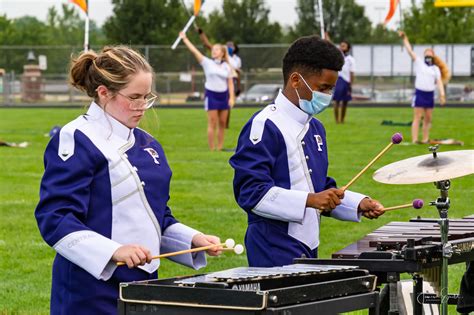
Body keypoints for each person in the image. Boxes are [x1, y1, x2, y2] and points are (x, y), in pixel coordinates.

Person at [35, 46, 222, 315]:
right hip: (89, 290)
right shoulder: (77, 138)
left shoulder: (150, 145)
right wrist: (114, 251)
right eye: (134, 97)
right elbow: (55, 218)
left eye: (147, 97)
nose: (142, 107)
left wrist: (192, 239)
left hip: (144, 285)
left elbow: (154, 216)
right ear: (104, 93)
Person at [229, 36, 384, 268]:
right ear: (295, 80)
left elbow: (318, 188)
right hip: (272, 247)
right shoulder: (265, 126)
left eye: (332, 89)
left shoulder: (315, 127)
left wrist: (358, 203)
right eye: (323, 88)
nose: (328, 95)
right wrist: (311, 200)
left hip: (309, 245)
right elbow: (250, 193)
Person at [180, 32, 235, 151]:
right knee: (212, 123)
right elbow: (194, 51)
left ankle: (219, 148)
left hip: (224, 96)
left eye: (216, 49)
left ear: (222, 53)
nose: (214, 51)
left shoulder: (226, 66)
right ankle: (212, 149)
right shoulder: (207, 63)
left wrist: (232, 98)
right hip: (211, 95)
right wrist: (185, 39)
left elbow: (230, 82)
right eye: (213, 49)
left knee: (222, 123)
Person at [399, 31, 449, 144]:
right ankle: (415, 139)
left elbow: (439, 82)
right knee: (417, 117)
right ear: (424, 55)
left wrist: (442, 95)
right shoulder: (419, 63)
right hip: (420, 93)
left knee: (428, 118)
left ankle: (425, 138)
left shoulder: (435, 69)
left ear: (433, 56)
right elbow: (409, 50)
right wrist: (405, 38)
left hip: (429, 95)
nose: (428, 55)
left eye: (430, 53)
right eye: (426, 53)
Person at [333, 40, 355, 124]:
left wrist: (351, 84)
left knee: (345, 101)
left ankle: (342, 120)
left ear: (348, 48)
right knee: (337, 100)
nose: (341, 47)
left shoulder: (351, 59)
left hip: (347, 81)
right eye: (340, 45)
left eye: (344, 46)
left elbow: (352, 72)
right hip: (339, 80)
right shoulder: (337, 57)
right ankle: (337, 120)